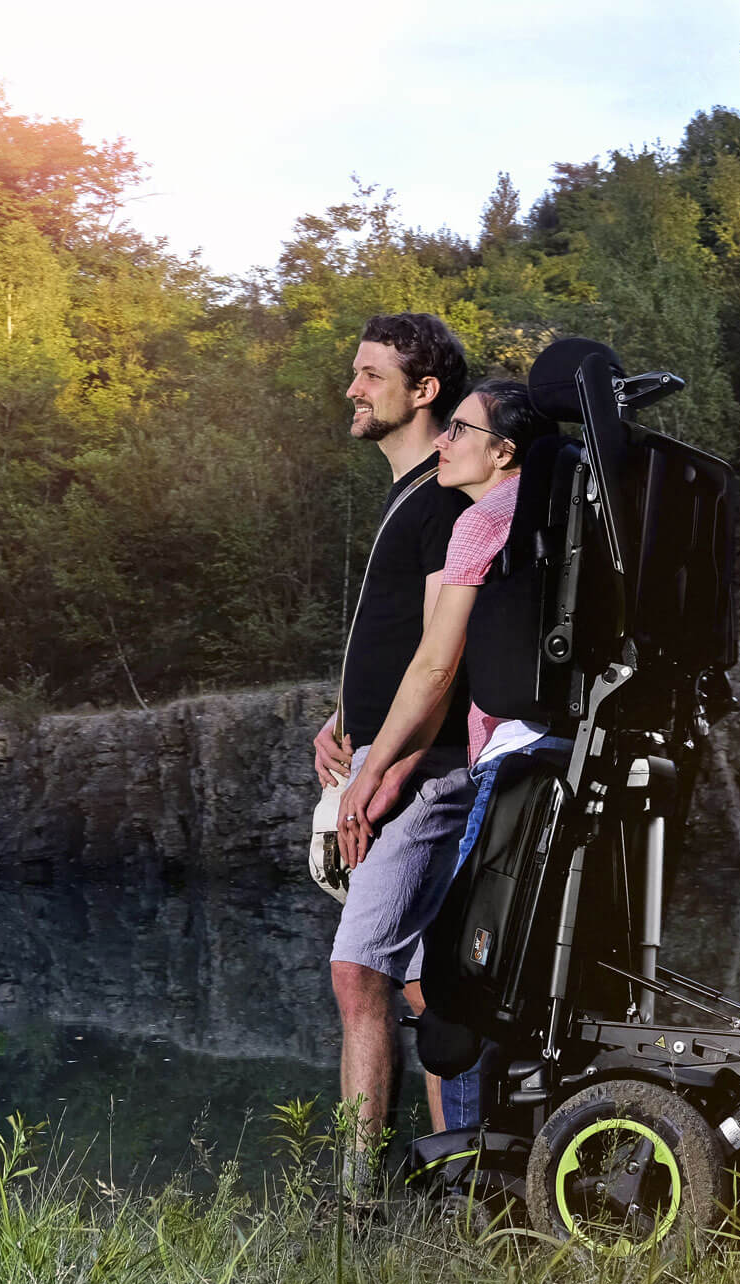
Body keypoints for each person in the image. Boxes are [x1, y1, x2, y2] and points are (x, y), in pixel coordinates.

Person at [334, 377, 553, 1131]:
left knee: (456, 979)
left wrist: (372, 772)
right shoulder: (558, 515)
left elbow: (435, 666)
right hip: (558, 759)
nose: (444, 443)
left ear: (504, 451)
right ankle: (480, 1155)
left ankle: (462, 1168)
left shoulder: (481, 520)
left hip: (495, 763)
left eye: (460, 430)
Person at [311, 313, 476, 1182]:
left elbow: (443, 659)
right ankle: (459, 1182)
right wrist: (341, 717)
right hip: (387, 758)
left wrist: (388, 771)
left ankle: (357, 1200)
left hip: (422, 769)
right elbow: (393, 641)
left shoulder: (444, 499)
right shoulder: (412, 492)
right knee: (420, 984)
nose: (353, 388)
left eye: (371, 374)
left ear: (424, 391)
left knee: (358, 971)